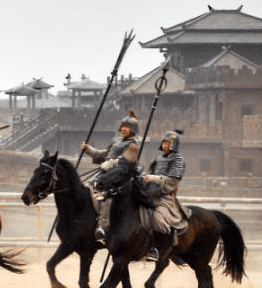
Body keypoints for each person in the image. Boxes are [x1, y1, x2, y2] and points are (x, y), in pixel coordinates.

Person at [80, 110, 141, 246]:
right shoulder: (118, 142)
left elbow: (126, 162)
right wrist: (88, 150)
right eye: (123, 126)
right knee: (88, 188)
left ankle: (103, 227)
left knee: (106, 195)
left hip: (122, 176)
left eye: (128, 127)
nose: (124, 129)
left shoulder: (133, 145)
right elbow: (103, 155)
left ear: (133, 130)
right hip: (109, 174)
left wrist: (111, 163)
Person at [141, 129, 188, 259]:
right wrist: (143, 176)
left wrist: (154, 179)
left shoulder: (178, 160)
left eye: (167, 143)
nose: (164, 145)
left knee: (157, 219)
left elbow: (172, 182)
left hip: (165, 197)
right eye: (163, 143)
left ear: (174, 145)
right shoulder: (158, 159)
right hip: (150, 194)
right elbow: (148, 172)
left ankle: (156, 249)